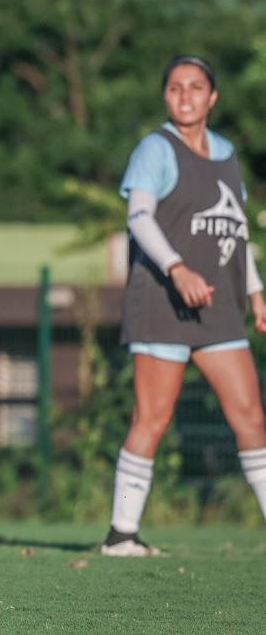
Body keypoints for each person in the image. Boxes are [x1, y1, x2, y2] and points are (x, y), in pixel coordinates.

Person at [101, 55, 266, 557]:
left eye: (196, 87)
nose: (186, 95)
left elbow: (236, 233)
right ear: (165, 96)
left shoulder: (227, 154)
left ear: (212, 96)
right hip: (163, 303)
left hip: (219, 308)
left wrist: (256, 290)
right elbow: (139, 217)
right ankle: (121, 535)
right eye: (175, 87)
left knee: (251, 419)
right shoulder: (156, 148)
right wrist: (176, 268)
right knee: (152, 418)